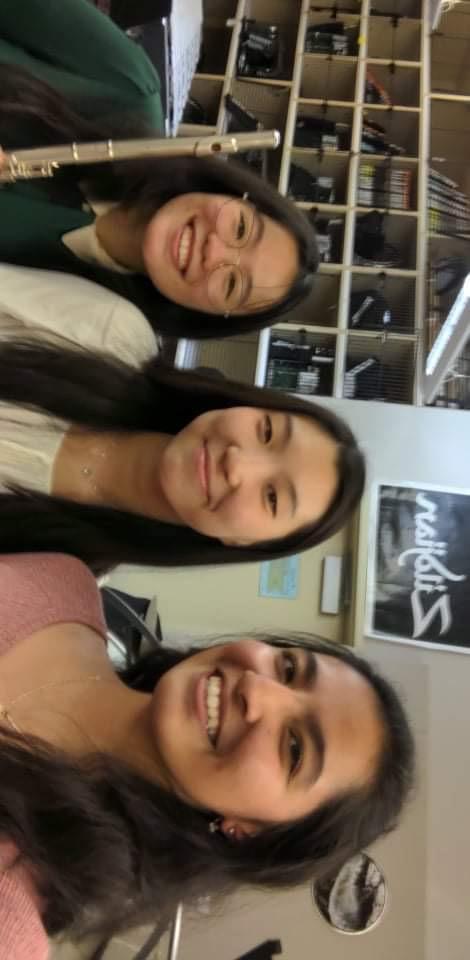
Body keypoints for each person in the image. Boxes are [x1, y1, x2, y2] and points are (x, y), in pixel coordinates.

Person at [0, 552, 415, 959]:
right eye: (288, 668)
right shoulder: (62, 584)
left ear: (248, 832)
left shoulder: (10, 925)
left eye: (294, 749)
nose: (257, 689)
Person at [0, 267, 364, 571]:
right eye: (266, 431)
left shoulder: (63, 575)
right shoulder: (113, 335)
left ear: (244, 543)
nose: (236, 461)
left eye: (272, 497)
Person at [0, 0, 319, 340]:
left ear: (205, 316)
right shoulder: (128, 89)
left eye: (231, 284)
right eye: (240, 228)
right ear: (234, 194)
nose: (213, 250)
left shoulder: (84, 327)